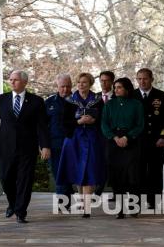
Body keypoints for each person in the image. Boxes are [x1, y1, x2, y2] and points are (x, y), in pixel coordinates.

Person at [0, 70, 51, 224]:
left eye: (15, 79)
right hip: (6, 147)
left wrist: (45, 146)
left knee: (25, 181)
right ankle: (13, 204)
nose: (12, 82)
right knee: (5, 178)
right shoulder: (0, 100)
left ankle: (21, 212)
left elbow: (42, 126)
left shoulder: (36, 101)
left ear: (24, 82)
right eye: (10, 79)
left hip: (28, 148)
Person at [57, 72, 106, 218]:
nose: (80, 85)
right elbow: (64, 124)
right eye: (78, 82)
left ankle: (86, 207)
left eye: (84, 82)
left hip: (93, 139)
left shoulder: (97, 100)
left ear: (90, 84)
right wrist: (79, 122)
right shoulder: (69, 100)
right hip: (74, 141)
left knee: (89, 171)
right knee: (78, 170)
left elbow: (103, 120)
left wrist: (93, 121)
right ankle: (82, 200)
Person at [102, 77, 144, 219]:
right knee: (116, 176)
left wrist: (127, 137)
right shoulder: (109, 104)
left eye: (119, 87)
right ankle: (119, 209)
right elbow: (104, 124)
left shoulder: (136, 104)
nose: (116, 90)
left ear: (127, 89)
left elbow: (140, 124)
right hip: (113, 141)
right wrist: (114, 138)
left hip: (131, 141)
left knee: (132, 175)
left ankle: (133, 207)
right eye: (115, 87)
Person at [133, 68, 164, 210]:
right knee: (138, 172)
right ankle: (137, 201)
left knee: (155, 172)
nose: (142, 81)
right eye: (139, 79)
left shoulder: (162, 96)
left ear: (151, 79)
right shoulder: (132, 96)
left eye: (145, 78)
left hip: (157, 141)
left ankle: (153, 201)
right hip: (137, 142)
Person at [45, 74, 74, 210]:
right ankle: (64, 202)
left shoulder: (77, 101)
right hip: (55, 145)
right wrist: (44, 146)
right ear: (57, 86)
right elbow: (43, 126)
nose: (65, 89)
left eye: (68, 86)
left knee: (69, 174)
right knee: (58, 174)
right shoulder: (49, 102)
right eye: (62, 86)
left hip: (74, 144)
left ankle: (64, 202)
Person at [95, 71, 115, 197]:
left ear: (112, 81)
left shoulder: (118, 97)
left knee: (113, 163)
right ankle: (98, 191)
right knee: (99, 163)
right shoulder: (95, 97)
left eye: (107, 80)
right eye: (101, 80)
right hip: (97, 136)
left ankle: (115, 191)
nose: (104, 83)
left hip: (114, 136)